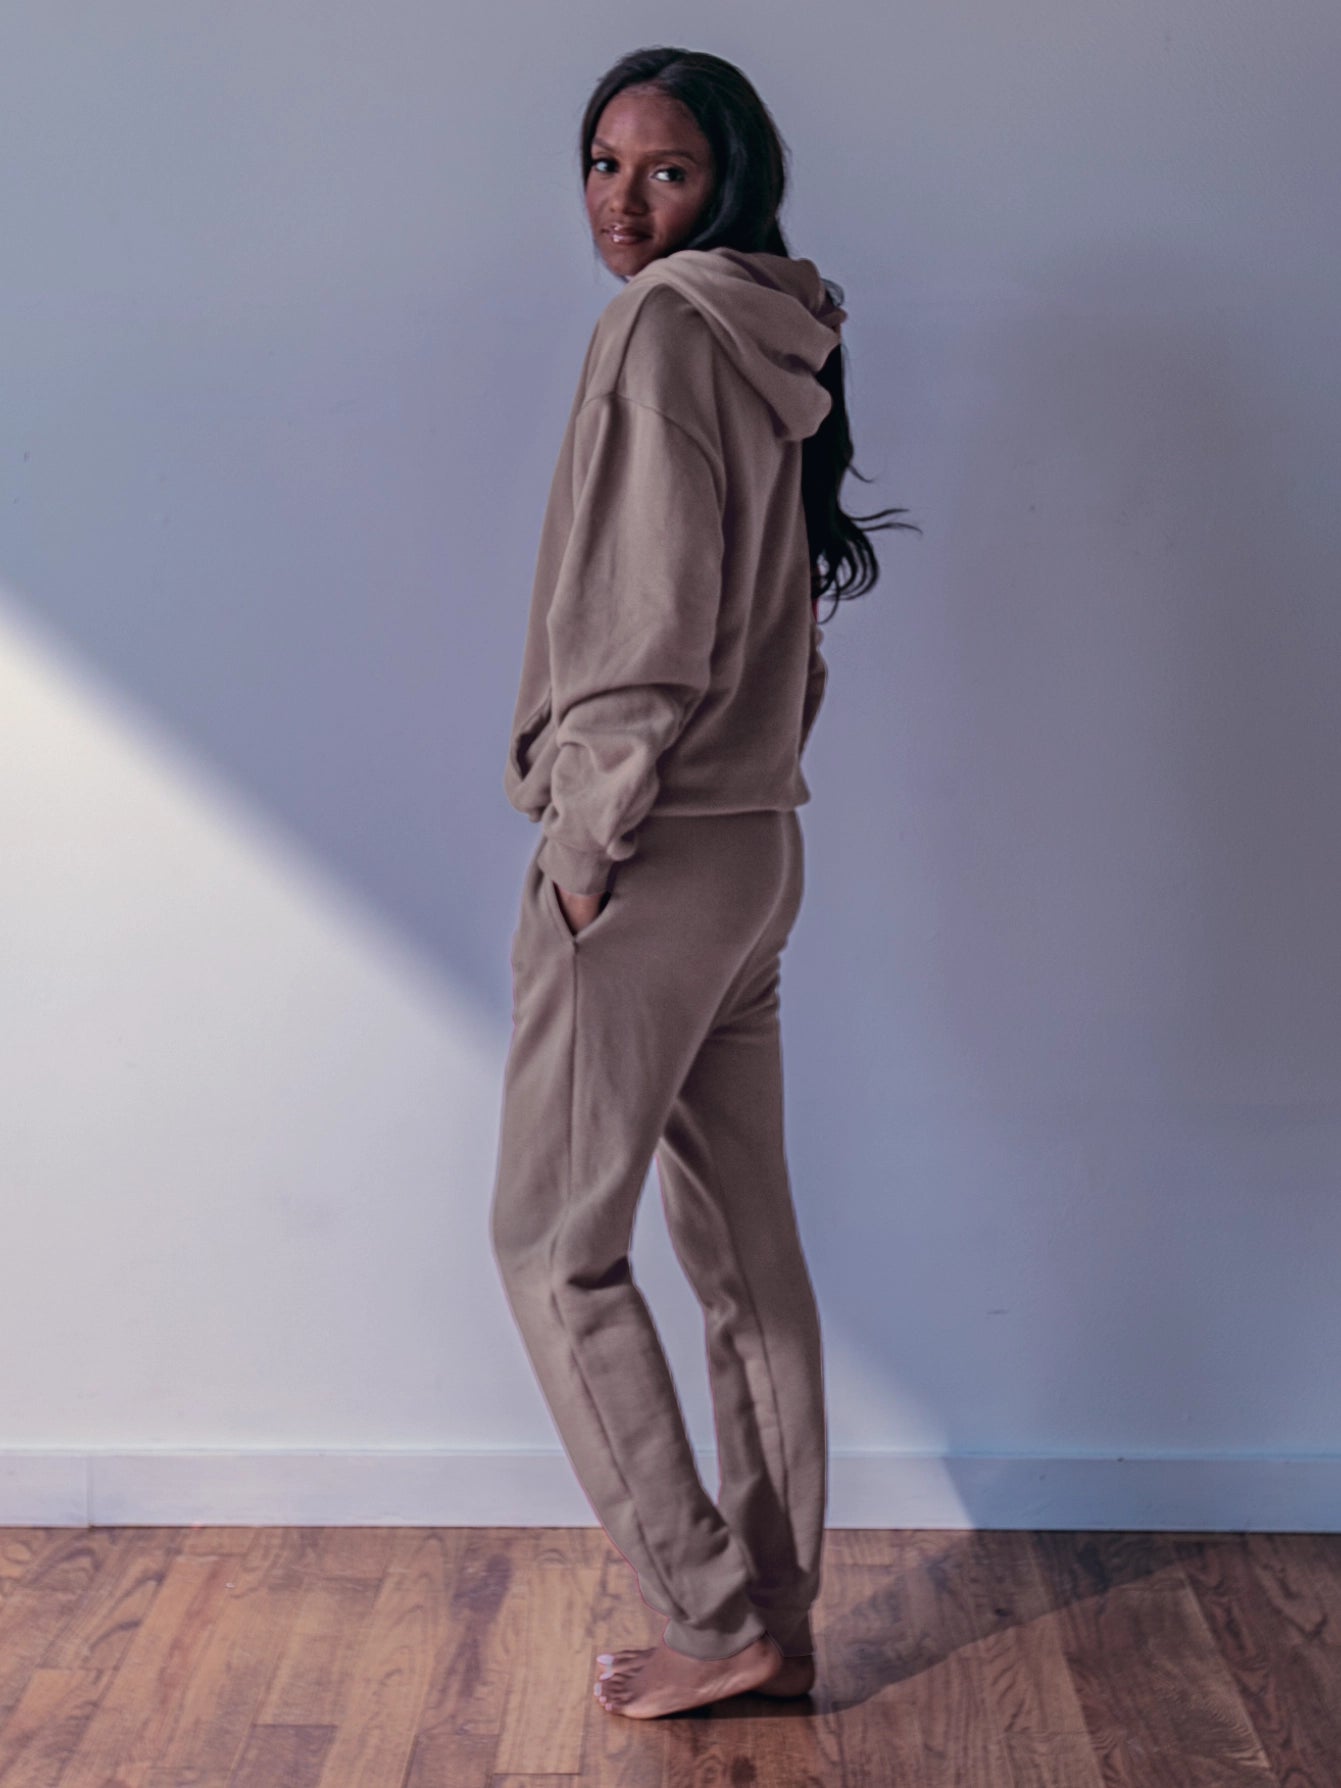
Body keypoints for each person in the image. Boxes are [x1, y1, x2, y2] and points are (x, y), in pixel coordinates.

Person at [488, 45, 915, 1721]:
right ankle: (771, 1615)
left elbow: (647, 624)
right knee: (744, 1250)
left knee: (549, 1247)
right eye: (601, 165)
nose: (622, 202)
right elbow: (793, 616)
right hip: (753, 850)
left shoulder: (663, 328)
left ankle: (706, 1608)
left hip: (651, 855)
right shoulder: (781, 329)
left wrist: (586, 847)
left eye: (662, 171)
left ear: (727, 178)